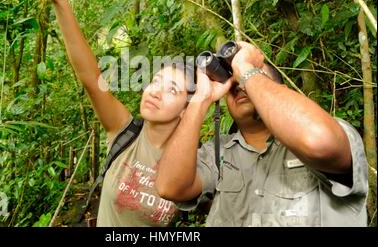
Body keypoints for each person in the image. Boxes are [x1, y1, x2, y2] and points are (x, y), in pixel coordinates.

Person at [28, 0, 195, 226]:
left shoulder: (196, 162)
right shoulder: (124, 133)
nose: (155, 91)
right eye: (155, 81)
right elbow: (91, 78)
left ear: (187, 108)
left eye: (171, 89)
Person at [156, 41, 368, 226]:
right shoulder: (219, 153)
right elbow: (170, 187)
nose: (240, 86)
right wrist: (201, 98)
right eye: (234, 84)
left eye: (253, 78)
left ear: (278, 88)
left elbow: (319, 142)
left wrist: (245, 69)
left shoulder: (324, 129)